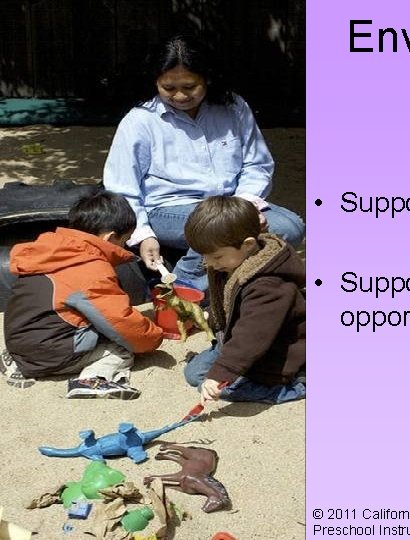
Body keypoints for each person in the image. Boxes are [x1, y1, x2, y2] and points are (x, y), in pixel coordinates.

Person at [103, 35, 305, 292]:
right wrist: (143, 234)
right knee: (222, 228)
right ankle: (182, 290)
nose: (179, 96)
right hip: (167, 209)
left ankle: (227, 286)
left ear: (207, 78)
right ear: (155, 82)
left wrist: (244, 207)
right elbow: (122, 187)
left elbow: (257, 165)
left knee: (290, 227)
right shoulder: (140, 121)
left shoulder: (234, 107)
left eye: (189, 87)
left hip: (230, 204)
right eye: (168, 88)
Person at [0, 192, 164, 398]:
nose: (124, 246)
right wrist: (154, 336)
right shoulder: (90, 269)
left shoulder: (51, 250)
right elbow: (120, 321)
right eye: (125, 240)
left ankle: (17, 361)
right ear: (110, 237)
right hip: (48, 352)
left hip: (19, 339)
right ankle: (92, 379)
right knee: (120, 350)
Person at [182, 196, 305, 404]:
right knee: (194, 374)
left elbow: (251, 336)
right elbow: (228, 302)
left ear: (248, 244)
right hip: (238, 339)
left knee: (222, 389)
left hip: (276, 353)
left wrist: (221, 374)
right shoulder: (233, 261)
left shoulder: (268, 286)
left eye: (216, 256)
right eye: (204, 256)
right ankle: (230, 367)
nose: (209, 263)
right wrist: (209, 316)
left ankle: (295, 387)